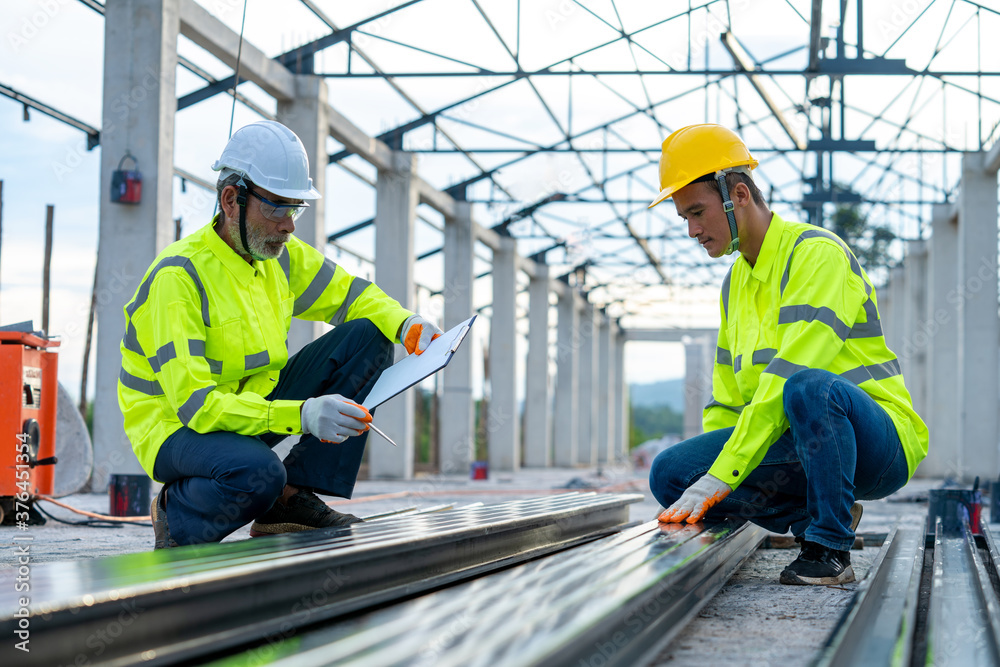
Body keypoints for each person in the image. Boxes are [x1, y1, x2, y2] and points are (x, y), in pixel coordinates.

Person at [118, 120, 442, 549]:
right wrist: (303, 414)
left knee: (369, 335)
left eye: (294, 209)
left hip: (249, 408)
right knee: (258, 474)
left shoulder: (278, 258)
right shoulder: (180, 279)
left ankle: (290, 501)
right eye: (276, 208)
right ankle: (177, 515)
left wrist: (406, 324)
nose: (288, 225)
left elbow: (350, 295)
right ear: (231, 200)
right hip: (179, 428)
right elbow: (197, 407)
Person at [646, 124, 928, 585]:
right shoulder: (735, 284)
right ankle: (817, 514)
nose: (693, 231)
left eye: (697, 213)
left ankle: (829, 549)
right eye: (685, 219)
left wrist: (728, 474)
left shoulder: (817, 255)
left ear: (738, 194)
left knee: (807, 387)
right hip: (801, 448)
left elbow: (792, 373)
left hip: (877, 445)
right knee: (671, 473)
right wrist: (715, 477)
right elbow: (728, 402)